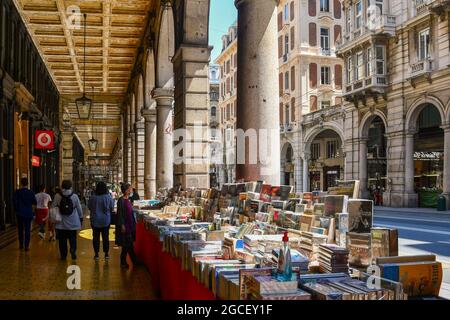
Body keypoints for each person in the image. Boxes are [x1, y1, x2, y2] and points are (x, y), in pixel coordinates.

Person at [52, 180, 83, 260]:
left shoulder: (57, 196)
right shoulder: (75, 196)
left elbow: (53, 207)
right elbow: (79, 209)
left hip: (61, 223)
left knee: (62, 240)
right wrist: (81, 218)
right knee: (73, 238)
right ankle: (73, 250)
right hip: (72, 223)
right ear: (71, 186)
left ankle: (63, 255)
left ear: (62, 186)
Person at [88, 181, 114, 260]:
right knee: (105, 237)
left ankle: (96, 254)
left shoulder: (93, 197)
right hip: (105, 221)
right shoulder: (108, 197)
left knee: (95, 238)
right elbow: (112, 208)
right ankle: (106, 254)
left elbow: (89, 207)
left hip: (95, 220)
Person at [116, 183, 137, 268]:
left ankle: (125, 262)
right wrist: (122, 225)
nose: (131, 190)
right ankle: (133, 261)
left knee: (127, 245)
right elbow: (120, 214)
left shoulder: (127, 199)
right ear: (126, 190)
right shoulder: (121, 200)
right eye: (130, 188)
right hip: (126, 226)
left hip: (129, 225)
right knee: (128, 244)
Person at [13, 178, 37, 251]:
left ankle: (21, 244)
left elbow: (14, 202)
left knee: (20, 230)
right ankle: (26, 246)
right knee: (27, 230)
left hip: (20, 213)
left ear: (21, 183)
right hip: (28, 213)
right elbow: (34, 202)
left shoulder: (17, 192)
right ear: (28, 184)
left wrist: (17, 210)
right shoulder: (31, 192)